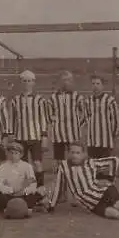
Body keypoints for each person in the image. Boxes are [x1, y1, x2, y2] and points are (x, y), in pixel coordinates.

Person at [47, 70, 85, 203]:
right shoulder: (52, 98)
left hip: (73, 136)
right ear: (60, 81)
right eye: (64, 80)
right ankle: (61, 192)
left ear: (72, 81)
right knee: (59, 164)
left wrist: (76, 124)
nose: (66, 82)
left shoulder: (77, 96)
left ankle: (76, 193)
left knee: (75, 163)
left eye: (69, 80)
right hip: (58, 136)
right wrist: (56, 124)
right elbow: (49, 115)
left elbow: (83, 114)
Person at [9, 70, 48, 188]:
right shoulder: (15, 100)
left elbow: (43, 119)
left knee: (37, 163)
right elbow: (11, 118)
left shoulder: (40, 100)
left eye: (29, 81)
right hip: (20, 137)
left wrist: (44, 136)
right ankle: (25, 190)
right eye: (24, 81)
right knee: (23, 165)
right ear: (21, 82)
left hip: (35, 137)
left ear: (33, 83)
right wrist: (11, 134)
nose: (27, 83)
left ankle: (40, 189)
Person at [0, 142, 48, 217]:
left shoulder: (27, 166)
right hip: (8, 196)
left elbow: (33, 184)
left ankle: (23, 208)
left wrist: (24, 192)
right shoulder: (1, 168)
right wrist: (13, 190)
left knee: (42, 189)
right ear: (7, 154)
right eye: (11, 153)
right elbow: (1, 186)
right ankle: (10, 208)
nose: (13, 156)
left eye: (16, 153)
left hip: (24, 196)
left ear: (21, 155)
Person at [84, 75, 119, 159]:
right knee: (93, 166)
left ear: (102, 85)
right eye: (93, 83)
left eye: (98, 83)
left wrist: (113, 135)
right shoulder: (87, 101)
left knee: (104, 166)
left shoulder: (110, 100)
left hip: (105, 141)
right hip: (92, 141)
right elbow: (86, 118)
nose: (95, 86)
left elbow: (115, 120)